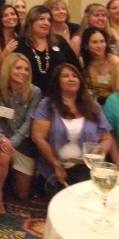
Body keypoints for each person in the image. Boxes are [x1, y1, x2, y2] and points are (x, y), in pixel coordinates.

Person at [31, 64, 115, 197]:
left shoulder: (92, 106)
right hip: (53, 167)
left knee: (88, 200)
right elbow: (38, 137)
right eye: (66, 76)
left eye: (75, 76)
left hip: (86, 168)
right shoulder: (47, 105)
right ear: (57, 81)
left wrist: (97, 153)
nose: (71, 79)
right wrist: (56, 165)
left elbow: (106, 138)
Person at [0, 54, 41, 214]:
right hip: (2, 139)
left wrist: (13, 141)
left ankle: (7, 179)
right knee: (4, 155)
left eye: (26, 69)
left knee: (22, 194)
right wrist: (0, 137)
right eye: (18, 68)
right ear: (8, 69)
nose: (23, 72)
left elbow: (29, 122)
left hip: (22, 142)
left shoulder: (34, 91)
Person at [15, 5, 80, 94]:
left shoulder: (59, 42)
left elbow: (75, 68)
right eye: (41, 19)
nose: (46, 23)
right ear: (31, 21)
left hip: (58, 95)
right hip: (28, 95)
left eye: (49, 20)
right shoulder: (19, 44)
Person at [80, 26, 119, 104]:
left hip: (112, 103)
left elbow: (116, 94)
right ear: (86, 45)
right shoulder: (82, 62)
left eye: (102, 41)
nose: (99, 46)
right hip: (91, 103)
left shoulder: (115, 62)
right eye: (95, 42)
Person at [0, 5, 21, 79]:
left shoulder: (19, 37)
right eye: (5, 15)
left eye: (13, 14)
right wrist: (4, 54)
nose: (10, 17)